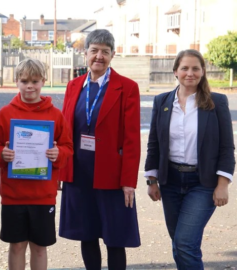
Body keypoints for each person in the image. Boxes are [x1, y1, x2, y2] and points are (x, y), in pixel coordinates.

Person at [58, 29, 141, 270]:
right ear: (85, 54)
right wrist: (61, 172)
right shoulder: (74, 86)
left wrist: (128, 181)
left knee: (115, 238)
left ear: (113, 55)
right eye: (94, 50)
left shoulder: (127, 88)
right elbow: (64, 132)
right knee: (87, 233)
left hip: (111, 176)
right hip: (79, 173)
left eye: (105, 52)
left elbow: (132, 139)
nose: (99, 56)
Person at [144, 49, 235, 269]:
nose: (190, 73)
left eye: (195, 68)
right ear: (175, 71)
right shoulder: (162, 101)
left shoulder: (217, 102)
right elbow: (154, 144)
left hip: (202, 183)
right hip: (170, 182)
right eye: (184, 68)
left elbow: (226, 147)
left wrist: (223, 184)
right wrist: (152, 180)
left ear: (203, 71)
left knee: (185, 243)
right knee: (181, 243)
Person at [0, 58, 73, 270]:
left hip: (43, 195)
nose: (30, 86)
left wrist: (57, 153)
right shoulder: (6, 114)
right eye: (24, 81)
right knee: (16, 246)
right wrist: (1, 153)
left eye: (35, 80)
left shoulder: (55, 115)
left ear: (43, 81)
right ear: (16, 81)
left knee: (40, 247)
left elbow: (68, 147)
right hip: (13, 195)